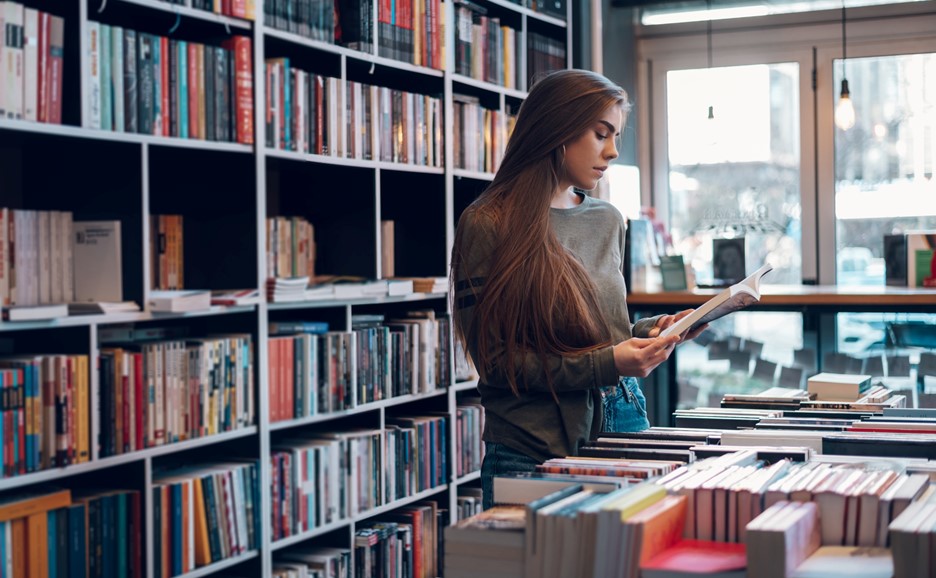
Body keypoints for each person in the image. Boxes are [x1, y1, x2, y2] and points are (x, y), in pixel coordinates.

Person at [449, 69, 707, 510]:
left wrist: (652, 331)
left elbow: (606, 332)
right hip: (533, 445)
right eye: (600, 133)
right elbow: (498, 365)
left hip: (624, 419)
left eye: (616, 135)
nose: (613, 151)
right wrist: (610, 361)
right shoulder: (488, 223)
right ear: (557, 129)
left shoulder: (607, 220)